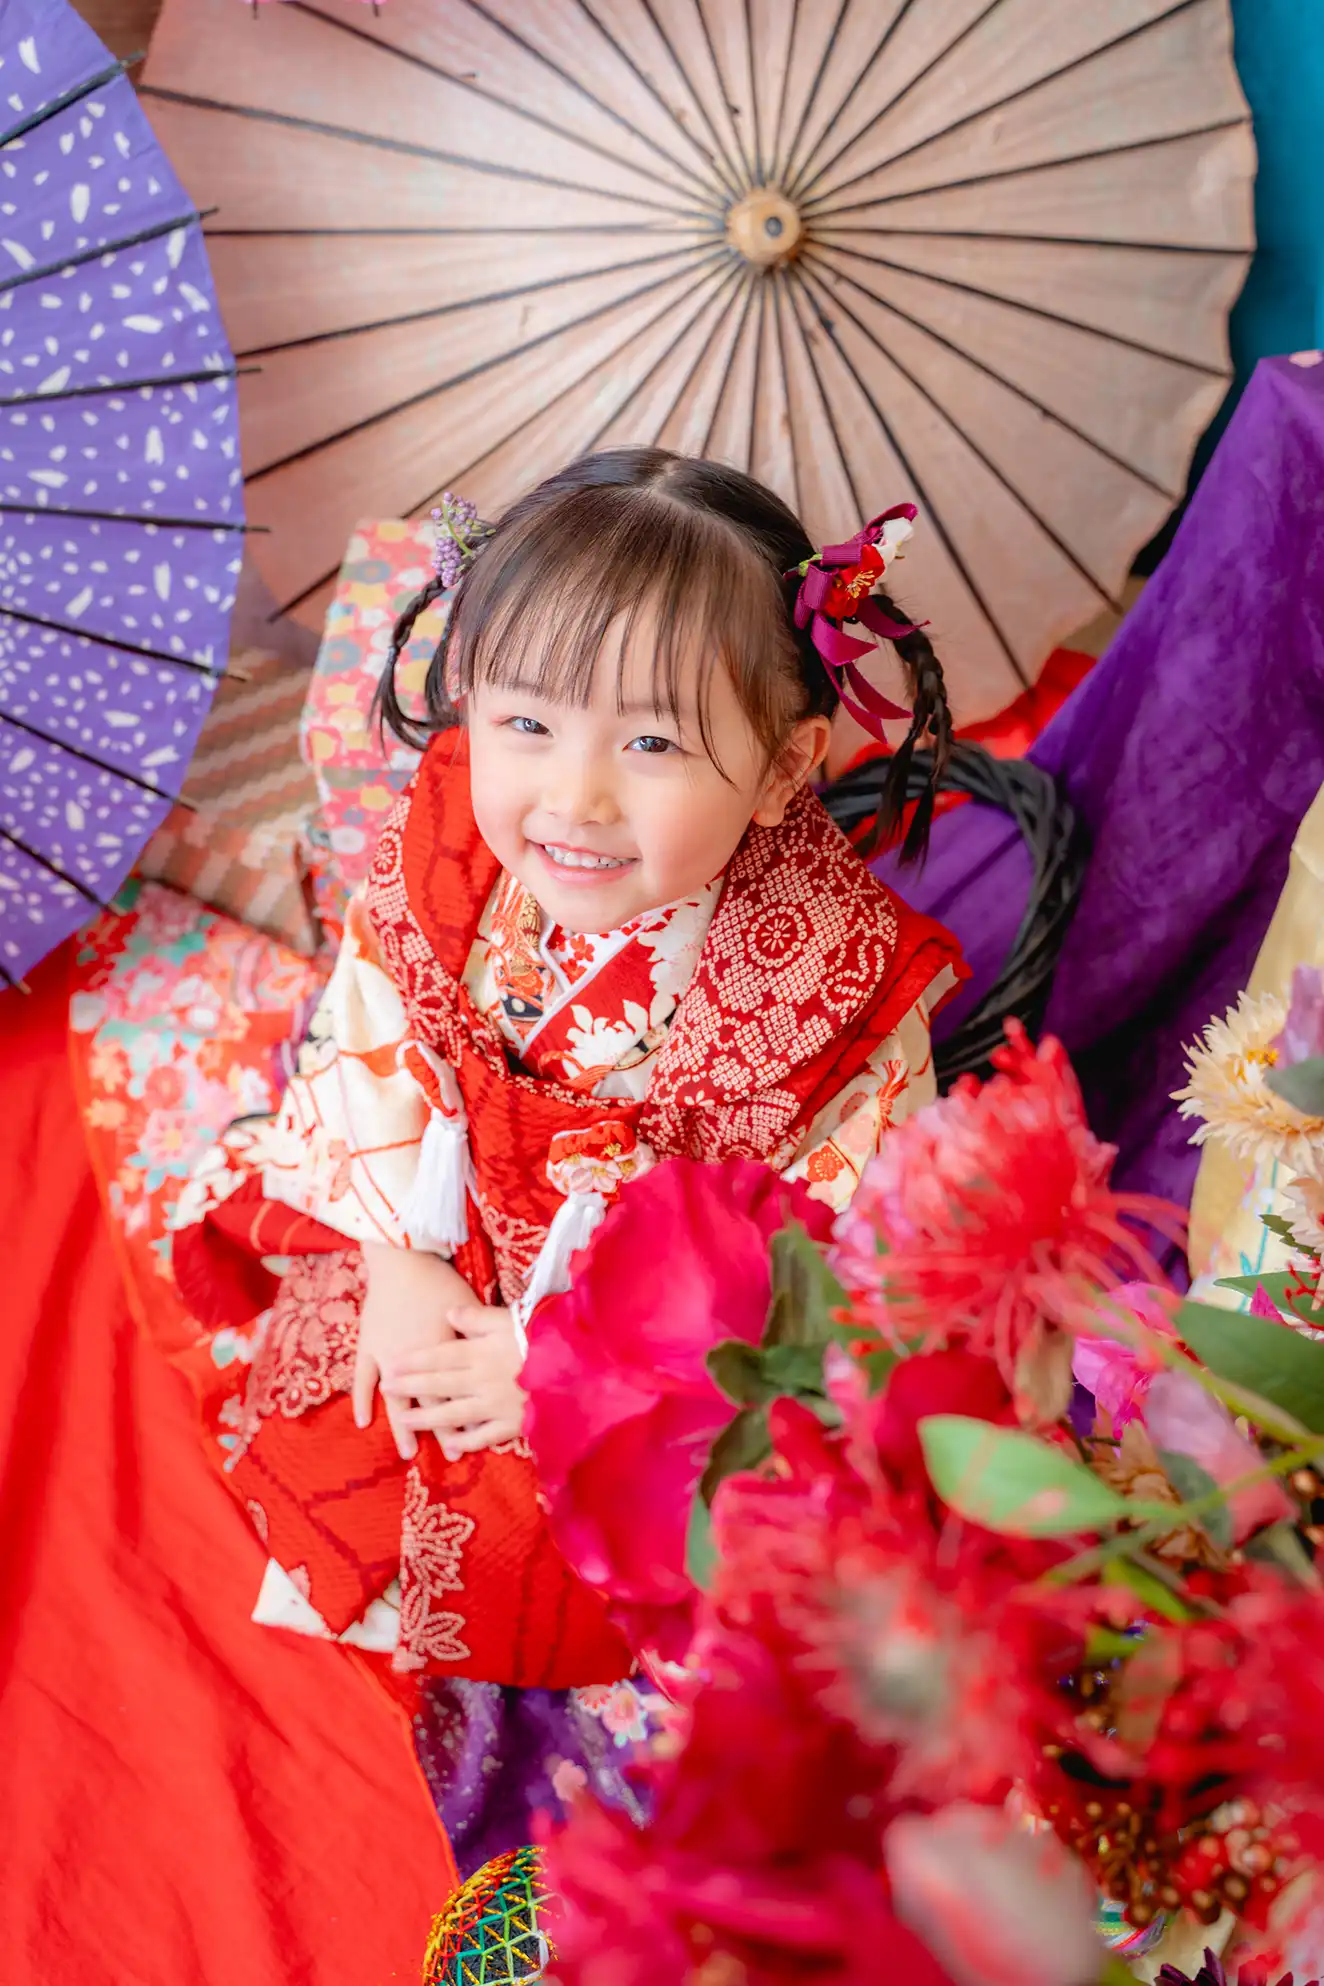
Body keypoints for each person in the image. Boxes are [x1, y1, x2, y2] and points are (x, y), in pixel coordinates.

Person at [172, 450, 965, 1834]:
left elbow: (833, 1265)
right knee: (348, 1397)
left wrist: (561, 1366)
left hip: (647, 1354)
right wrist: (402, 1261)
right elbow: (384, 1013)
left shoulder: (829, 988)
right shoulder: (457, 839)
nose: (574, 797)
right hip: (451, 1227)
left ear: (787, 764)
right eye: (527, 722)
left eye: (652, 744)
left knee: (654, 1560)